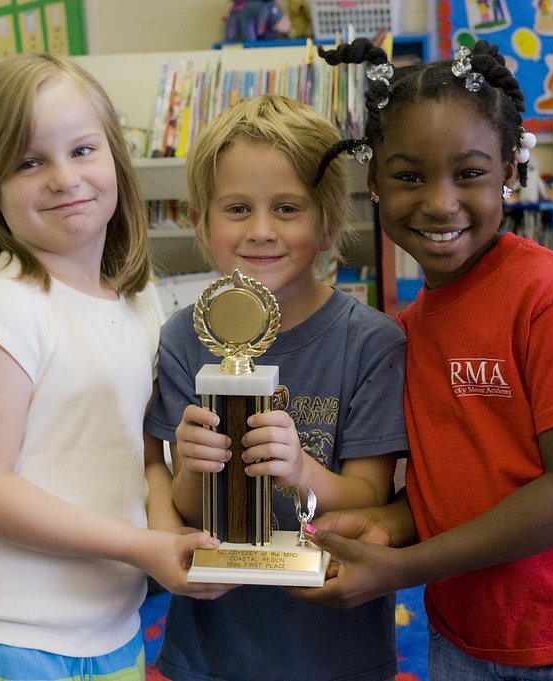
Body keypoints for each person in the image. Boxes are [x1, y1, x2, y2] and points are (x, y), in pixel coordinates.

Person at [295, 38, 553, 679]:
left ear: (511, 173)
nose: (440, 203)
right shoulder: (404, 331)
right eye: (409, 176)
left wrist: (406, 568)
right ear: (375, 181)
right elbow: (464, 487)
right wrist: (385, 524)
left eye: (469, 173)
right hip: (467, 640)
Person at [0, 53, 229, 681]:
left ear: (115, 155)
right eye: (29, 162)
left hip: (110, 633)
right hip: (6, 640)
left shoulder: (140, 299)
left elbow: (142, 456)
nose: (65, 178)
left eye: (83, 149)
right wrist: (145, 548)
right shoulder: (4, 303)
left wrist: (172, 541)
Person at [144, 94, 408, 681]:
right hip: (214, 644)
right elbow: (188, 510)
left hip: (336, 646)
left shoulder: (372, 344)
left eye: (287, 208)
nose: (261, 231)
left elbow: (370, 495)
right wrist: (193, 468)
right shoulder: (183, 341)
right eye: (237, 208)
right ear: (199, 221)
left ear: (329, 221)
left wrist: (300, 471)